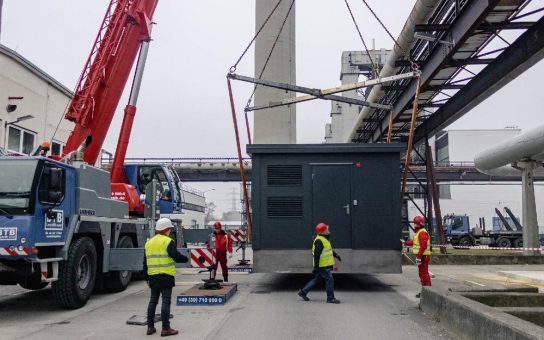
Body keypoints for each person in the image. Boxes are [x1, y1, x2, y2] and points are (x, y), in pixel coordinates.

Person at [144, 218, 188, 336]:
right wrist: (186, 258)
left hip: (153, 276)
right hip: (166, 276)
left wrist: (146, 277)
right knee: (166, 301)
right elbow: (175, 256)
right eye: (169, 229)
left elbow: (145, 262)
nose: (170, 231)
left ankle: (150, 327)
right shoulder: (168, 241)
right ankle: (165, 328)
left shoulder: (149, 242)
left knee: (153, 301)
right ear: (166, 229)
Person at [298, 222, 341, 304]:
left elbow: (328, 250)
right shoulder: (319, 241)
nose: (328, 230)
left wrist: (335, 255)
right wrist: (316, 267)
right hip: (322, 265)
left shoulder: (324, 239)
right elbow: (316, 255)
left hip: (322, 265)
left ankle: (303, 292)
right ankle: (330, 298)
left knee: (317, 279)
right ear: (322, 232)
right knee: (330, 279)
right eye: (326, 229)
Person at [403, 215, 431, 298]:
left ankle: (428, 293)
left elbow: (423, 246)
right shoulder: (419, 232)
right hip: (422, 256)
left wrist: (418, 257)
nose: (414, 225)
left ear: (418, 224)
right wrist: (405, 243)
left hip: (423, 256)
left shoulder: (422, 232)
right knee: (422, 274)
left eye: (415, 223)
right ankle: (425, 292)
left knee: (424, 274)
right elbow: (415, 242)